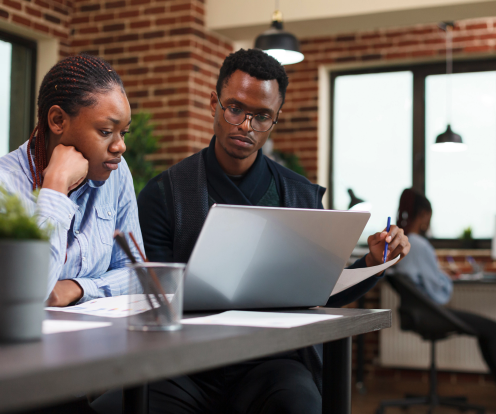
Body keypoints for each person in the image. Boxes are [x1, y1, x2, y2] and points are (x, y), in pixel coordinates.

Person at [121, 48, 410, 414]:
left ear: (275, 120)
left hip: (272, 364)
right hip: (184, 364)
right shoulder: (165, 195)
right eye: (235, 109)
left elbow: (322, 294)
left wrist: (373, 259)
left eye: (261, 116)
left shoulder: (299, 196)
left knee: (301, 404)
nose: (245, 125)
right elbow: (155, 298)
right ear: (214, 103)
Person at [0, 54, 144, 307]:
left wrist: (78, 288)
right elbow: (29, 291)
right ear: (58, 120)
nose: (120, 146)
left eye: (124, 133)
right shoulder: (6, 185)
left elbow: (136, 273)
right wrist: (56, 185)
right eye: (106, 132)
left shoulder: (117, 175)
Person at [395, 188, 496, 413]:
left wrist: (438, 275)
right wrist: (446, 279)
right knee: (494, 329)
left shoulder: (403, 242)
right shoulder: (419, 244)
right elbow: (439, 292)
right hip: (431, 313)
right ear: (424, 215)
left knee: (487, 331)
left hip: (415, 312)